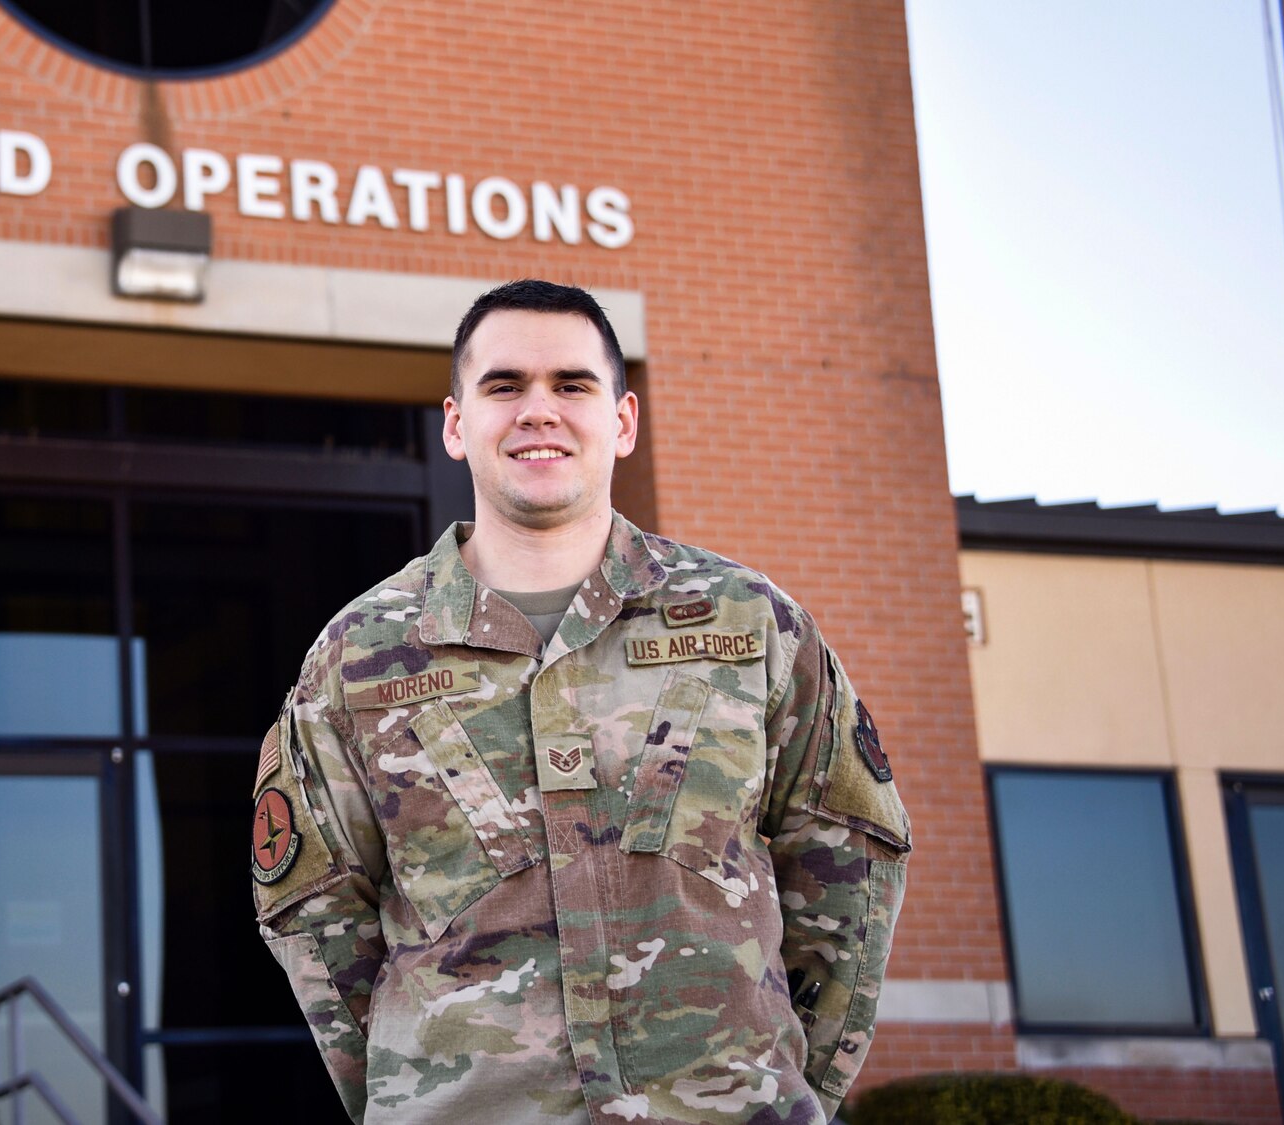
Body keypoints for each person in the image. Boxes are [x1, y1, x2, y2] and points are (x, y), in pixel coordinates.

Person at [249, 280, 910, 1124]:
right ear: (456, 424)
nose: (538, 411)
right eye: (503, 386)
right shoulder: (358, 656)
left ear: (624, 420)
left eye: (571, 384)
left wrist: (773, 1091)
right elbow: (317, 914)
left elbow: (848, 862)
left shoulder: (752, 623)